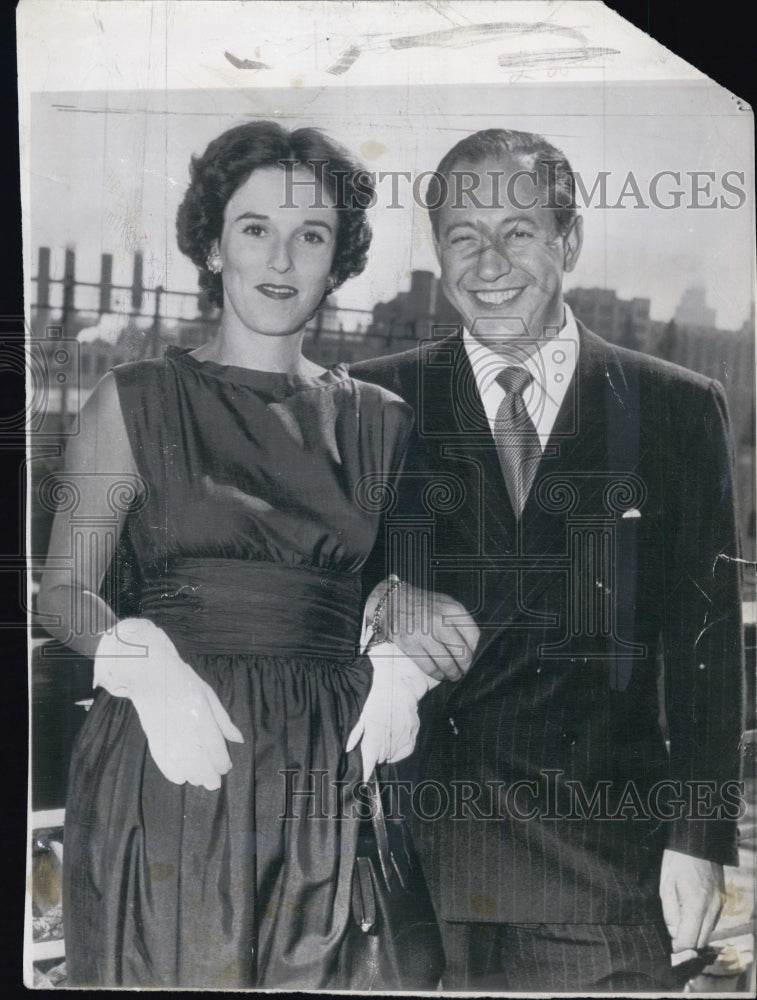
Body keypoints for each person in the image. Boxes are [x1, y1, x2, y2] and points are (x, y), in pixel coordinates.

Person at [37, 121, 436, 989]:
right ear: (213, 246)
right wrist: (138, 659)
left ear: (338, 261)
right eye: (255, 227)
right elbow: (61, 591)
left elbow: (398, 590)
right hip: (176, 749)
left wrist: (404, 661)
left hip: (329, 770)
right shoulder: (131, 399)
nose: (281, 257)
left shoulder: (381, 421)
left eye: (311, 235)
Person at [352, 128, 745, 991]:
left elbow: (706, 647)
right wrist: (382, 597)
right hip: (411, 866)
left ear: (567, 240)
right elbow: (301, 576)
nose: (487, 262)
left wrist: (698, 838)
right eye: (462, 236)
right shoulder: (372, 398)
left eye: (517, 232)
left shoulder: (676, 408)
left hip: (601, 874)